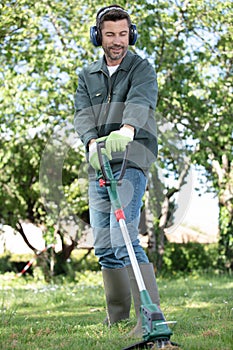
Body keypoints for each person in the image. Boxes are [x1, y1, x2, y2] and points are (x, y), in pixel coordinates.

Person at [74, 4, 164, 338]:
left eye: (123, 34)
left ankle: (150, 316)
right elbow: (83, 113)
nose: (117, 41)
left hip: (132, 159)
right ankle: (117, 318)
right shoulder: (87, 75)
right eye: (110, 34)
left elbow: (141, 101)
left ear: (131, 34)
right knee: (103, 243)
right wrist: (90, 143)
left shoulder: (141, 68)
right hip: (99, 161)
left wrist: (126, 131)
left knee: (123, 239)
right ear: (98, 36)